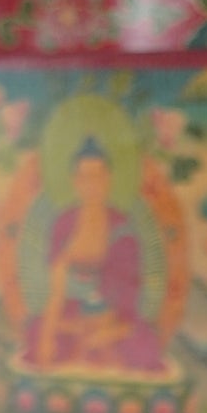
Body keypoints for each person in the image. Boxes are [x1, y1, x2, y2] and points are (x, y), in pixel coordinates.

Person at [29, 138, 165, 372]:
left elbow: (128, 291)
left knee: (146, 344)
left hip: (112, 319)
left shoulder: (121, 226)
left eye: (98, 176)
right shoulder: (64, 223)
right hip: (72, 320)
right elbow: (57, 292)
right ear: (75, 182)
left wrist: (109, 329)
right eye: (84, 177)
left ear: (108, 179)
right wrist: (47, 338)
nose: (92, 184)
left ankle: (100, 356)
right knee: (34, 332)